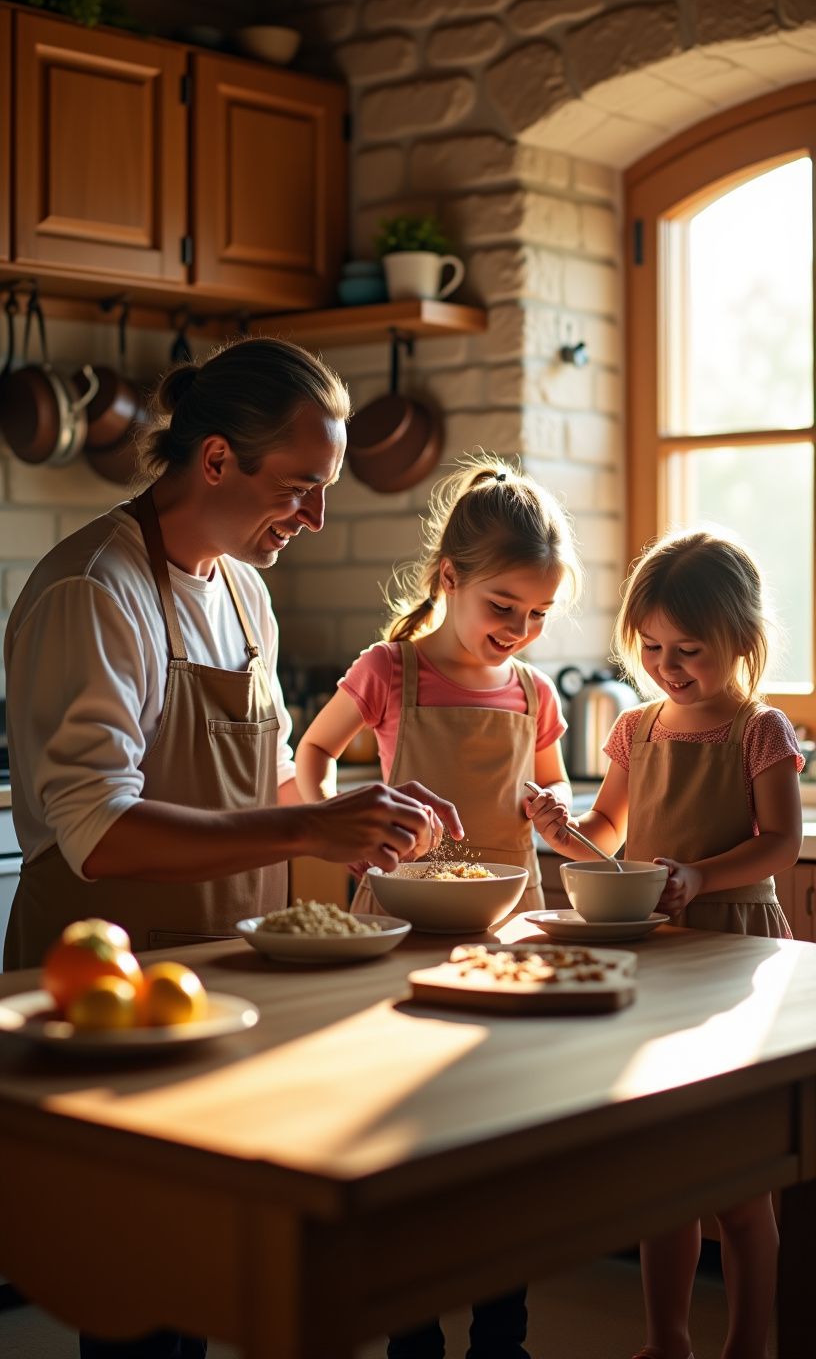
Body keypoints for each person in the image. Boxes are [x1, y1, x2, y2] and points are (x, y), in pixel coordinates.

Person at [3, 336, 461, 1359]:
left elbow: (253, 788)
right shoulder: (97, 591)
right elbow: (100, 831)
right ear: (215, 461)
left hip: (229, 978)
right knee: (142, 1305)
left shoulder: (243, 589)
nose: (317, 518)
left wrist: (358, 809)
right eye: (302, 487)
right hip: (113, 996)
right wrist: (308, 823)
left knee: (229, 1283)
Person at [296, 453, 583, 1359]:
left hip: (506, 935)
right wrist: (325, 825)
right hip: (393, 935)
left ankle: (503, 1334)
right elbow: (311, 755)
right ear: (448, 579)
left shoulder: (533, 694)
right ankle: (410, 1332)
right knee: (397, 1146)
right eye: (504, 608)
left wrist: (554, 809)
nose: (521, 631)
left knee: (502, 1153)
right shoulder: (390, 671)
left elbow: (555, 789)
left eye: (538, 616)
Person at [529, 528, 803, 1359]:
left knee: (741, 1186)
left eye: (690, 650)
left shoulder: (759, 730)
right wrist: (563, 829)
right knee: (667, 1174)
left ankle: (750, 1344)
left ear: (742, 644)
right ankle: (666, 1341)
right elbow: (610, 837)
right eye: (651, 646)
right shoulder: (636, 728)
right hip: (655, 951)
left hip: (735, 949)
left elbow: (779, 844)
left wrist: (699, 877)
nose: (667, 664)